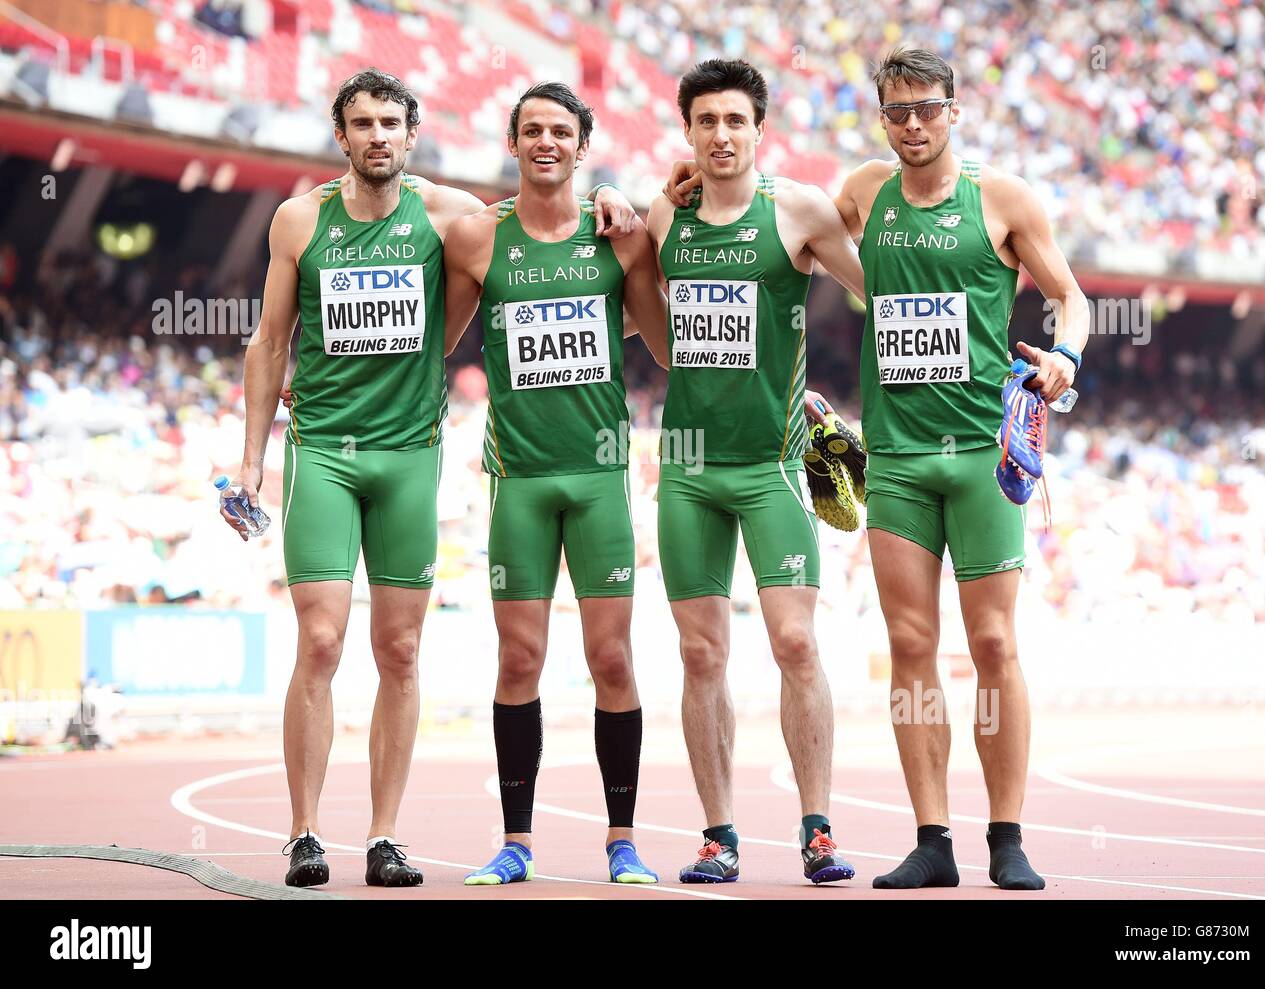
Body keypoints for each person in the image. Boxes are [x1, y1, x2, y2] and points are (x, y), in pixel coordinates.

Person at [228, 68, 636, 888]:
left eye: (391, 122)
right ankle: (306, 830)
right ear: (341, 137)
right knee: (321, 637)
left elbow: (542, 213)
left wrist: (614, 196)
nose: (378, 135)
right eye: (362, 123)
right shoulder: (298, 220)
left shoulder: (452, 216)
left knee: (401, 647)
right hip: (326, 452)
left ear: (413, 136)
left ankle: (383, 836)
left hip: (411, 453)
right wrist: (250, 460)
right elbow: (270, 342)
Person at [831, 46, 1087, 890]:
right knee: (910, 643)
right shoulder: (865, 193)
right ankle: (931, 837)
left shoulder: (1002, 199)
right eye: (896, 109)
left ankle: (1007, 836)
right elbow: (783, 229)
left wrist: (1066, 358)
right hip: (898, 458)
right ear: (881, 113)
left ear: (955, 109)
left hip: (981, 452)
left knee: (992, 641)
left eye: (927, 108)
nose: (912, 124)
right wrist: (683, 182)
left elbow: (1071, 298)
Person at [442, 82, 669, 886]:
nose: (545, 141)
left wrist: (634, 208)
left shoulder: (619, 239)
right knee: (519, 660)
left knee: (612, 657)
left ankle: (623, 840)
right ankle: (516, 842)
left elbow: (669, 348)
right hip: (521, 480)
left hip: (600, 473)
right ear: (514, 143)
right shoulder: (477, 240)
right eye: (531, 130)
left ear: (581, 145)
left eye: (560, 131)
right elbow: (430, 343)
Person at [646, 59, 865, 885]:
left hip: (774, 466)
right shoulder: (665, 217)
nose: (720, 134)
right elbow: (637, 308)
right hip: (691, 469)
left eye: (735, 120)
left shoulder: (798, 211)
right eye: (706, 121)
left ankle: (817, 829)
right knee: (701, 655)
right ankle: (718, 835)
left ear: (758, 129)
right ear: (689, 131)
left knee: (796, 642)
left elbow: (882, 290)